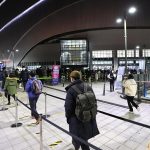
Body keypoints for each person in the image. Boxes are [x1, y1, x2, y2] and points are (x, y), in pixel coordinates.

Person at [64, 70, 99, 150]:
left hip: (76, 120)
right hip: (88, 117)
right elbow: (94, 101)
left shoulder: (71, 89)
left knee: (77, 140)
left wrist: (68, 119)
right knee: (84, 139)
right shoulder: (88, 86)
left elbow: (68, 107)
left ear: (72, 78)